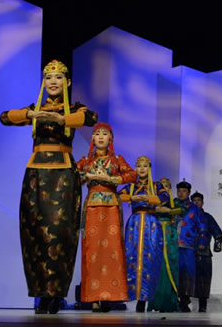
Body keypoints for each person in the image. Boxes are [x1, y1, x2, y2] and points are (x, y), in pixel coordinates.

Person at [0, 60, 98, 314]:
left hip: (63, 175)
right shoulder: (36, 108)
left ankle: (56, 294)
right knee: (34, 232)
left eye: (58, 77)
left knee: (60, 233)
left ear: (67, 82)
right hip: (36, 174)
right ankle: (41, 294)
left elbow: (91, 117)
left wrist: (61, 118)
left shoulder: (73, 108)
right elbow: (4, 117)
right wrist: (31, 115)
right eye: (49, 77)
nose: (53, 81)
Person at [76, 123, 136, 312]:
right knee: (92, 252)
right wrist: (88, 175)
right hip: (92, 209)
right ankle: (93, 298)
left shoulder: (117, 160)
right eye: (97, 134)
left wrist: (110, 179)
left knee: (112, 252)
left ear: (111, 138)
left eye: (105, 134)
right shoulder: (86, 160)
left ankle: (109, 296)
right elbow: (73, 174)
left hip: (111, 210)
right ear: (92, 138)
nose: (101, 137)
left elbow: (132, 175)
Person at [119, 156, 169, 312]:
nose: (141, 169)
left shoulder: (156, 185)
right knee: (132, 256)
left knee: (150, 258)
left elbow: (165, 197)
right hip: (134, 223)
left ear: (150, 168)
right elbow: (118, 196)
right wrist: (132, 197)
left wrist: (148, 198)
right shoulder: (132, 186)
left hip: (151, 223)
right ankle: (133, 294)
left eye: (145, 166)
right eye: (139, 166)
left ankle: (144, 298)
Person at [147, 178, 184, 313]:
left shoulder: (174, 202)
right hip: (156, 232)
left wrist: (168, 211)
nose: (165, 189)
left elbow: (182, 210)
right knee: (156, 266)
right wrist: (157, 209)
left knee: (171, 266)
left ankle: (170, 301)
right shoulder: (153, 201)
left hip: (169, 234)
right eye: (162, 186)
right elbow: (148, 210)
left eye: (167, 186)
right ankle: (155, 301)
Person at [174, 179, 206, 312]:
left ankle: (185, 300)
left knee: (187, 274)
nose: (181, 193)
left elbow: (202, 226)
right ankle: (173, 300)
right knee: (174, 272)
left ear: (188, 193)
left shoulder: (194, 209)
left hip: (188, 245)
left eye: (184, 191)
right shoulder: (172, 205)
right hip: (172, 245)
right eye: (179, 191)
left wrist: (202, 243)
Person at [191, 191, 222, 313]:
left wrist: (218, 242)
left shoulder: (207, 217)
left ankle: (202, 306)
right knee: (186, 280)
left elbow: (217, 231)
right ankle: (184, 304)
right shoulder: (187, 217)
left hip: (204, 253)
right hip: (188, 253)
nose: (197, 203)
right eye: (194, 200)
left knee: (204, 280)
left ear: (202, 202)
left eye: (199, 200)